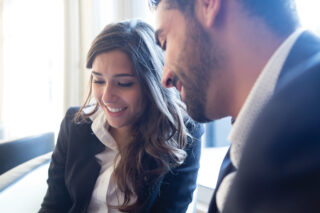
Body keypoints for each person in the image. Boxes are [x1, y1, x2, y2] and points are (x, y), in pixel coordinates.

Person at [149, 0, 320, 212]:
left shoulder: (303, 129)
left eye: (165, 42)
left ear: (208, 5)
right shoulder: (256, 132)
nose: (165, 78)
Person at [39, 19, 203, 213]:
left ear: (153, 86)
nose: (106, 96)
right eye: (99, 80)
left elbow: (172, 208)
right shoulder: (75, 124)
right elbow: (53, 206)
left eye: (124, 83)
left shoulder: (182, 133)